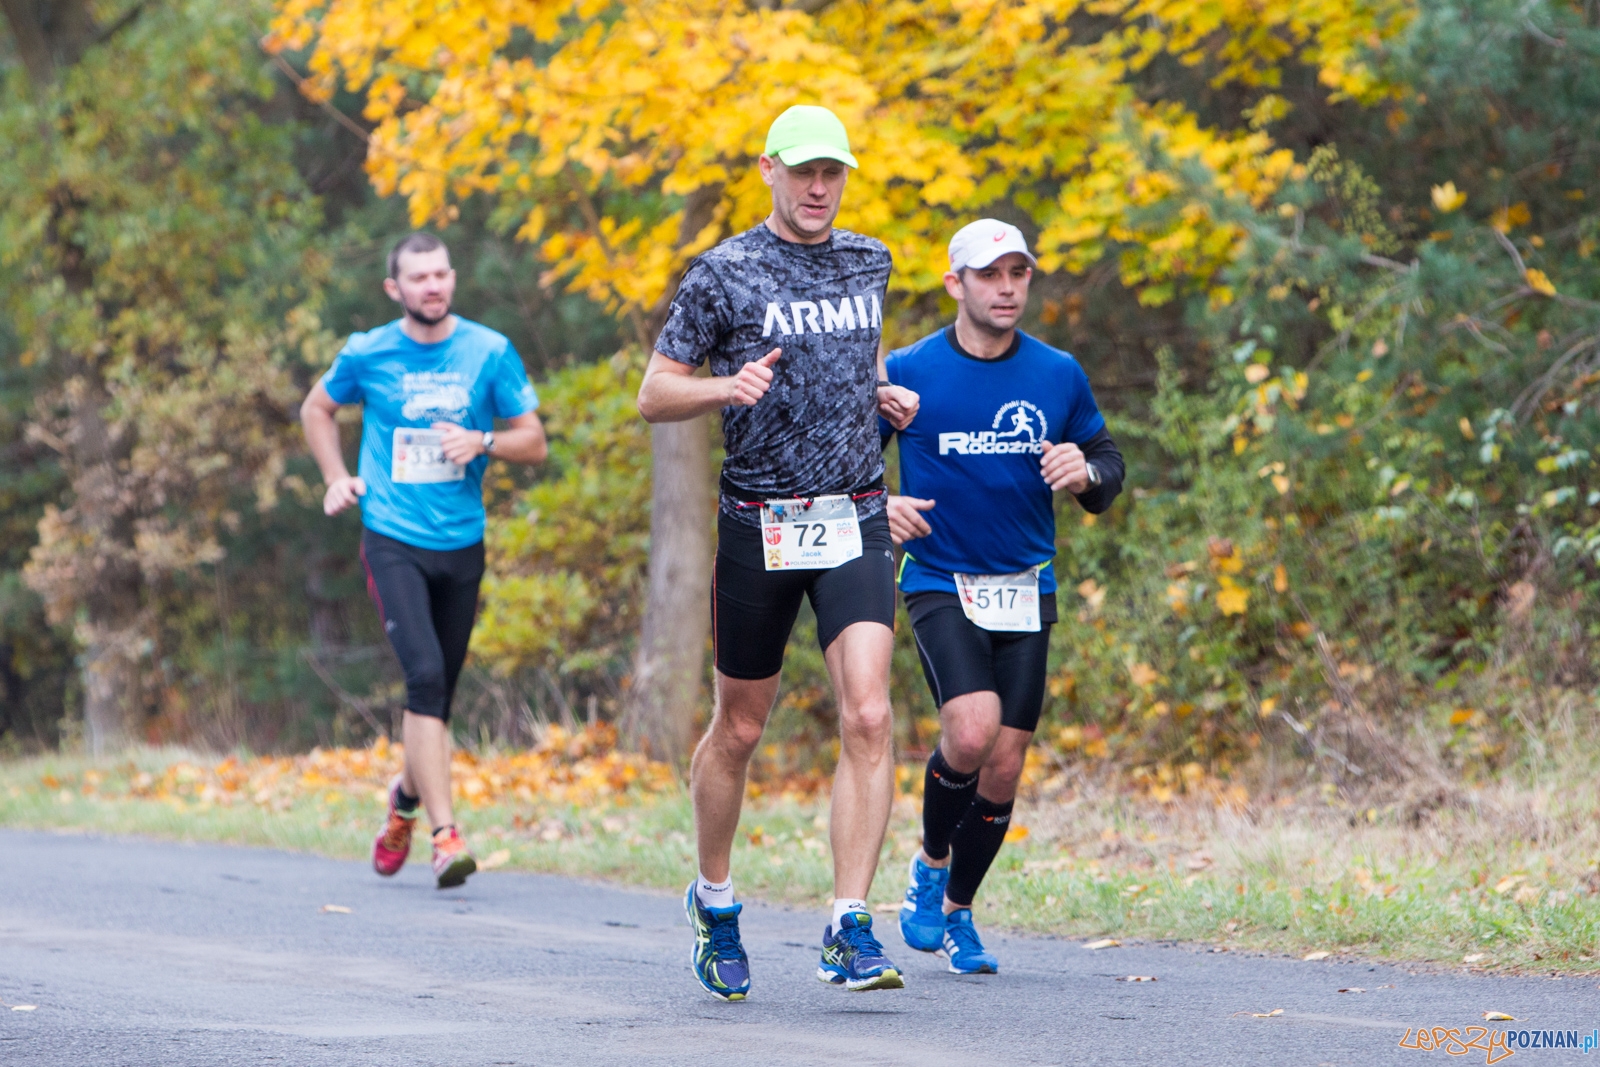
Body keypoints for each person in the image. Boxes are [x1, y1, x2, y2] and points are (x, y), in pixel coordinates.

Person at [637, 105, 921, 1000]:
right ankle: (715, 900)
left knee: (870, 716)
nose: (818, 187)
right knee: (742, 728)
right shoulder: (722, 273)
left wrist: (884, 395)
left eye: (832, 171)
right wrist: (729, 384)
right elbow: (653, 393)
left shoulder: (869, 260)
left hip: (854, 515)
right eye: (801, 171)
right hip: (760, 521)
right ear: (768, 169)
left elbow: (853, 362)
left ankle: (849, 924)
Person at [881, 219, 1124, 974]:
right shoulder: (906, 369)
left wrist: (1085, 473)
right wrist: (878, 501)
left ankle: (958, 911)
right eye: (990, 275)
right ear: (956, 283)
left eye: (1019, 272)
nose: (1008, 287)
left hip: (1026, 583)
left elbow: (1107, 459)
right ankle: (927, 863)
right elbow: (843, 459)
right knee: (973, 727)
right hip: (939, 577)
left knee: (1007, 761)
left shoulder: (1057, 374)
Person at [301, 233, 548, 889]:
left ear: (452, 278)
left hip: (462, 542)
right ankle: (445, 836)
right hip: (392, 536)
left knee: (436, 696)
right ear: (395, 289)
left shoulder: (489, 350)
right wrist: (335, 476)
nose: (431, 286)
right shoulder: (369, 351)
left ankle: (403, 798)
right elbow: (317, 408)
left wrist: (484, 439)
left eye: (440, 274)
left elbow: (535, 441)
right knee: (426, 680)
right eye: (418, 278)